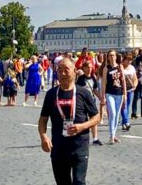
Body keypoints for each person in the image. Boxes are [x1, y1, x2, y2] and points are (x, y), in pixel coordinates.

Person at [38, 57, 100, 185]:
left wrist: (82, 126)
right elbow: (43, 119)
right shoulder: (51, 94)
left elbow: (97, 117)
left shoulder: (83, 93)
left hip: (79, 148)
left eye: (66, 69)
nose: (63, 73)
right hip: (59, 148)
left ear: (75, 71)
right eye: (59, 70)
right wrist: (43, 137)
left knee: (79, 182)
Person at [98, 51, 126, 143]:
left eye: (113, 55)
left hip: (119, 93)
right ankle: (111, 136)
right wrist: (103, 96)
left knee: (117, 115)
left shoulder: (120, 66)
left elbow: (123, 81)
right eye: (110, 55)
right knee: (112, 114)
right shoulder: (106, 68)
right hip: (109, 93)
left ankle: (113, 135)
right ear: (108, 57)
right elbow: (103, 83)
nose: (112, 57)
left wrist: (125, 94)